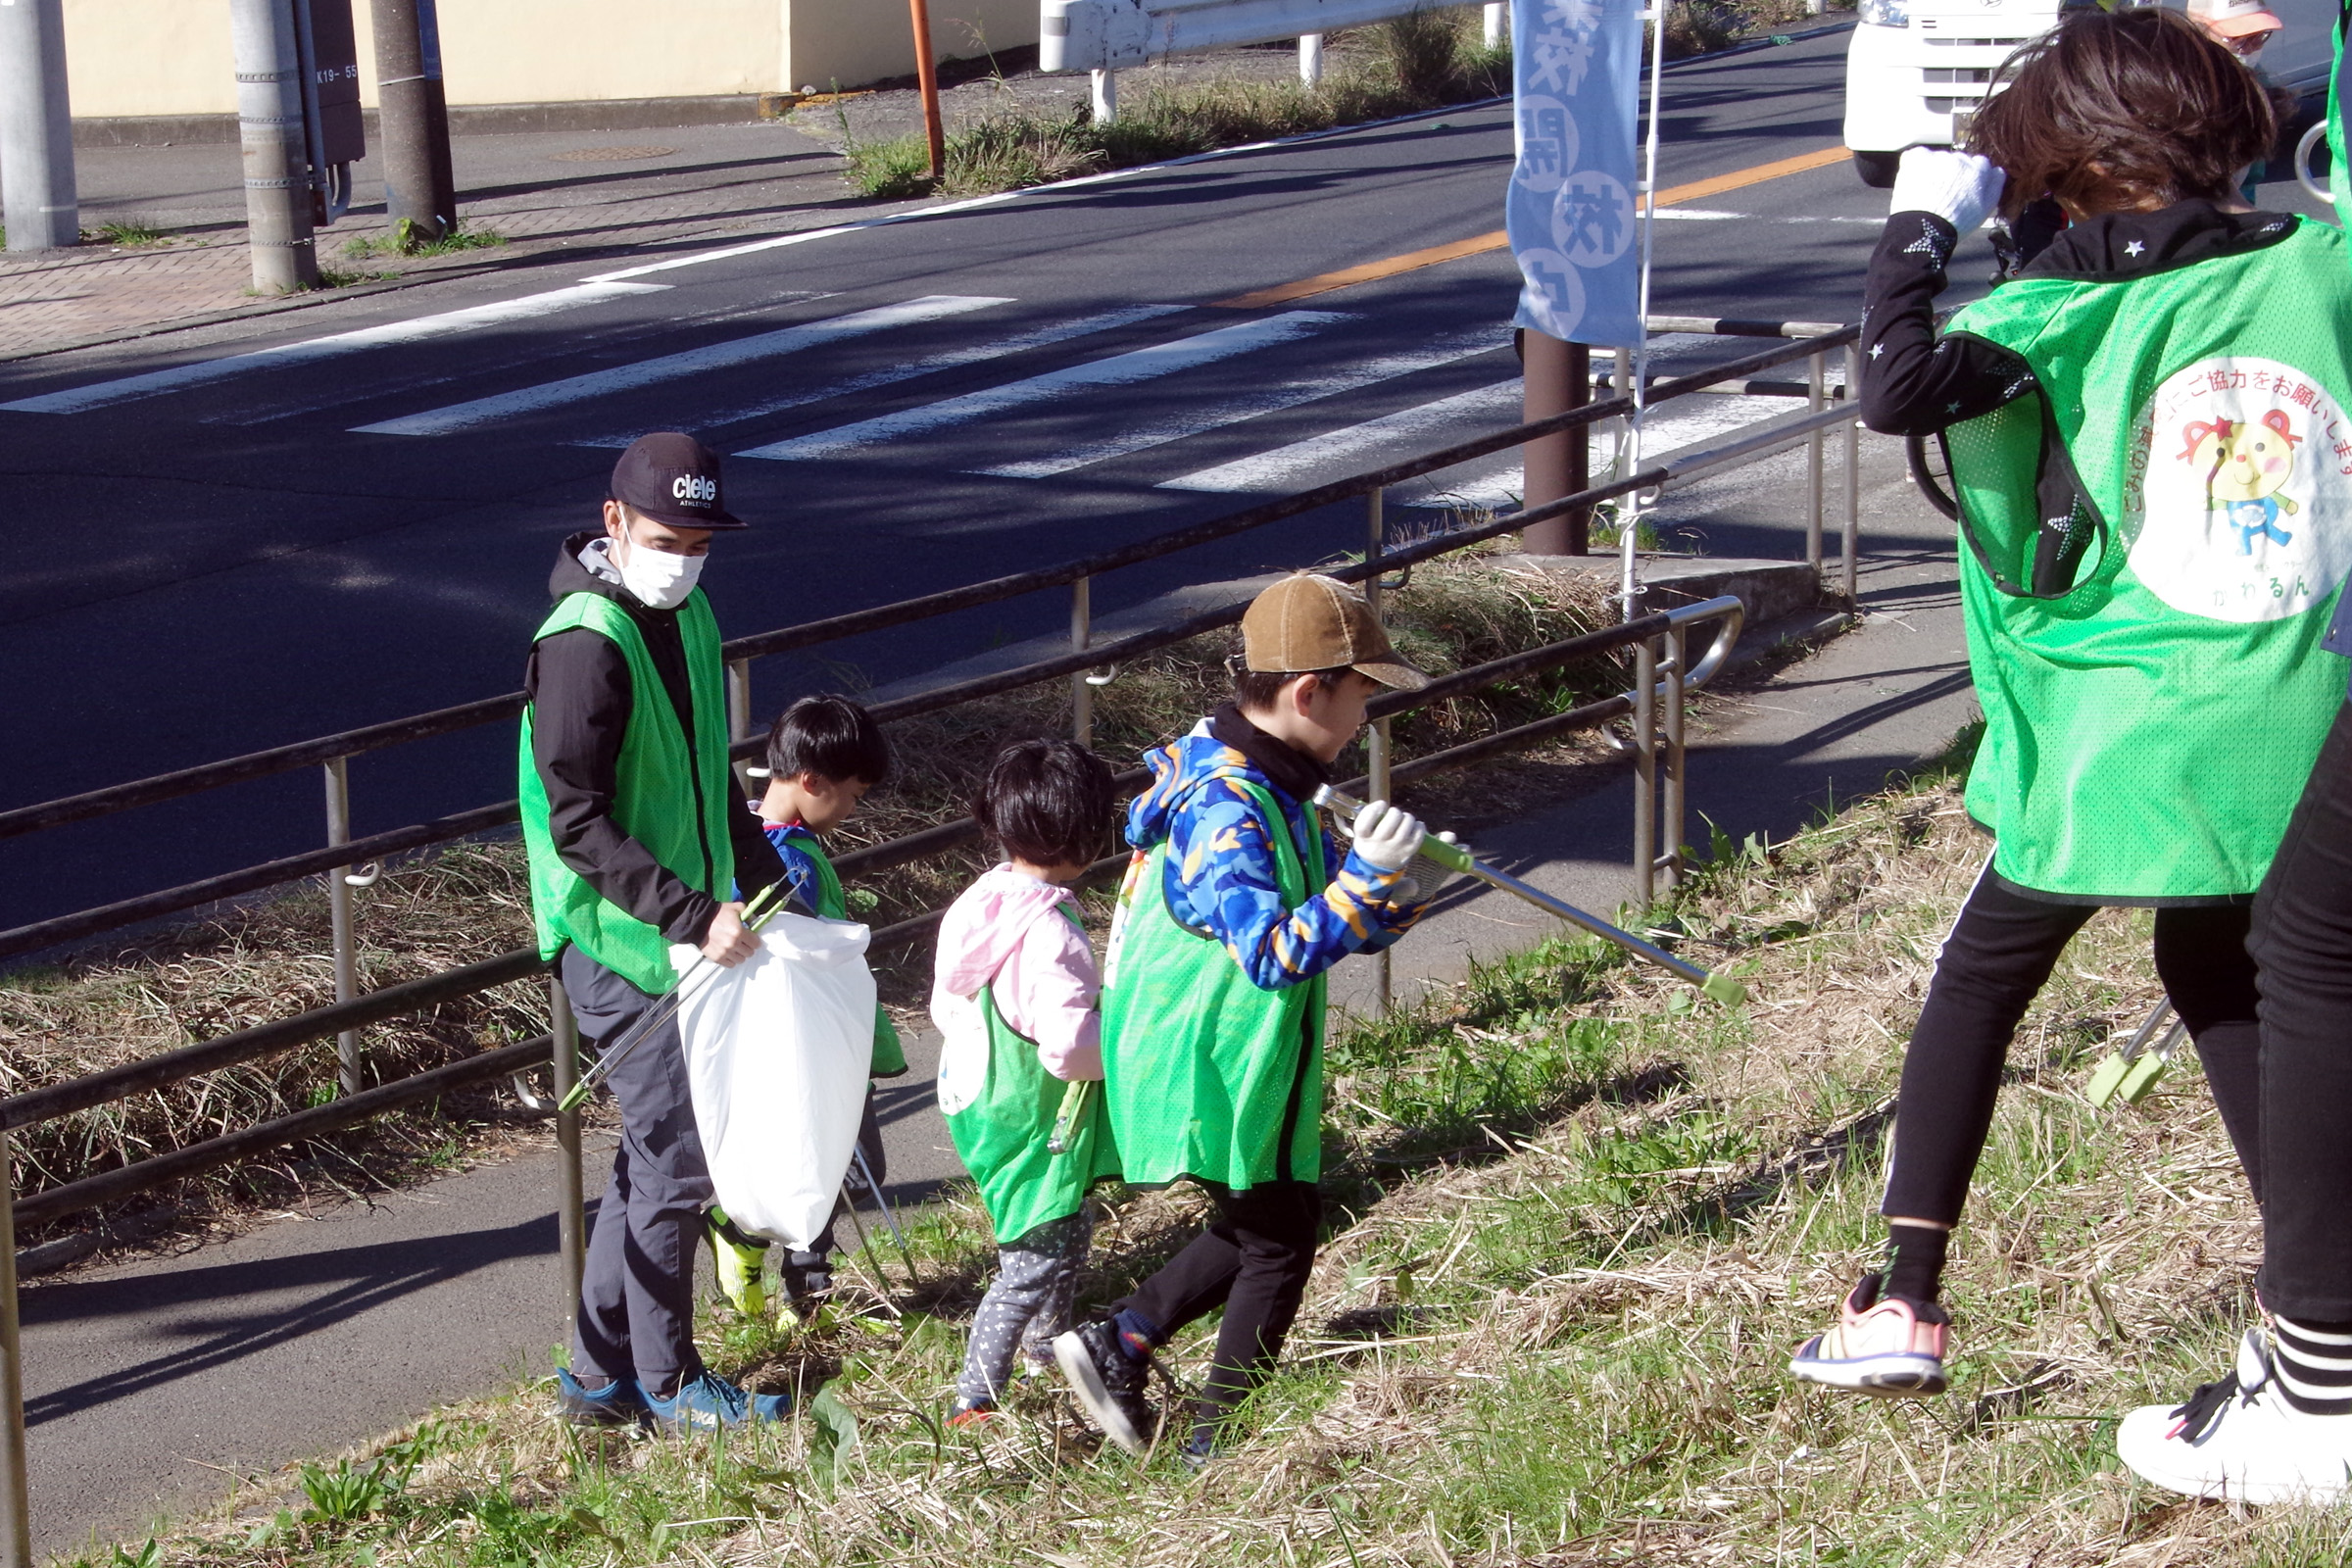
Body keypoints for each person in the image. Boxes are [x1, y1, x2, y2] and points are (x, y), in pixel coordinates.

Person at [1788, 8, 2352, 1400]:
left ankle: (1904, 1296)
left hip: (2119, 732)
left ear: (2064, 173)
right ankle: (2310, 1298)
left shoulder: (2043, 321)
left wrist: (1925, 218)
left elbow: (1894, 382)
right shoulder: (2328, 266)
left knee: (1982, 970)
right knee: (2218, 959)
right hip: (2296, 707)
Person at [1052, 572, 1447, 1462]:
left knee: (1262, 1222)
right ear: (1310, 692)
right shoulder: (1227, 803)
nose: (1364, 720)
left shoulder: (1276, 778)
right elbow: (1272, 952)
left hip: (1242, 1059)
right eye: (1361, 696)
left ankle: (1122, 1341)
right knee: (1280, 1242)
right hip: (1215, 1061)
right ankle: (1215, 1445)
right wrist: (1361, 884)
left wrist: (1397, 896)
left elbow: (1325, 922)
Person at [519, 431, 795, 1433]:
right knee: (677, 1156)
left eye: (702, 541)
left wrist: (765, 877)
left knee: (650, 1157)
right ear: (614, 523)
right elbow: (576, 819)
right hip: (613, 934)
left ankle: (598, 1376)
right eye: (667, 537)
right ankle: (672, 1384)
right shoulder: (585, 641)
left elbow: (703, 762)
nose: (684, 558)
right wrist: (691, 912)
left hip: (680, 922)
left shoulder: (689, 612)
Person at [929, 739, 1123, 1428]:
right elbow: (1069, 1047)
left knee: (1065, 1226)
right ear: (1090, 837)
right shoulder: (1052, 934)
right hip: (1033, 1117)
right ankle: (975, 1395)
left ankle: (1049, 1343)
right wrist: (1126, 1042)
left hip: (982, 1098)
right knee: (1031, 1260)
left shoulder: (985, 899)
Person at [705, 694, 905, 1324]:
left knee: (835, 1161)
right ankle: (807, 1294)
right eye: (850, 794)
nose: (851, 809)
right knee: (833, 1161)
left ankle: (759, 1246)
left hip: (820, 1034)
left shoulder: (782, 845)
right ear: (812, 781)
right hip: (809, 1041)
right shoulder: (782, 859)